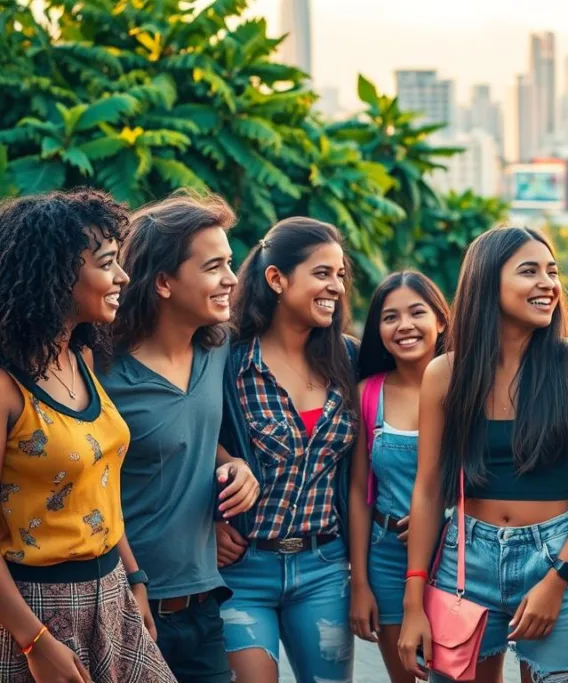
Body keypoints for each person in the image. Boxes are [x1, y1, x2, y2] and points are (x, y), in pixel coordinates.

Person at [397, 226, 568, 683]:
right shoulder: (445, 373)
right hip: (465, 561)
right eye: (529, 271)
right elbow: (428, 489)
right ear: (487, 282)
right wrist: (413, 602)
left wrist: (558, 578)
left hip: (555, 554)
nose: (548, 284)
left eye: (552, 272)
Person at [0, 190, 175, 682]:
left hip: (112, 591)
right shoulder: (6, 386)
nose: (123, 277)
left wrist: (134, 578)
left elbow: (98, 486)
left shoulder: (83, 358)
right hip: (33, 611)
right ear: (57, 275)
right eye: (106, 263)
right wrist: (34, 642)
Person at [99, 191, 260, 682]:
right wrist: (131, 581)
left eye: (229, 263)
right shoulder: (104, 373)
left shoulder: (218, 347)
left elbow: (188, 437)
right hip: (128, 607)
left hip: (204, 603)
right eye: (213, 267)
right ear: (164, 282)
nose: (231, 279)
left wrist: (233, 464)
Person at [216, 217, 358, 683]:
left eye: (340, 274)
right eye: (322, 273)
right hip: (243, 568)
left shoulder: (350, 359)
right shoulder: (228, 360)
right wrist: (208, 524)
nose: (336, 286)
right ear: (277, 278)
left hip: (324, 567)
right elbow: (188, 441)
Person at [349, 271, 450, 683]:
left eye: (417, 312)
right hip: (387, 556)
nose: (404, 325)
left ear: (440, 320)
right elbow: (359, 493)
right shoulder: (368, 393)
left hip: (458, 555)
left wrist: (444, 515)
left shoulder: (468, 387)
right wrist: (360, 582)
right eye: (390, 317)